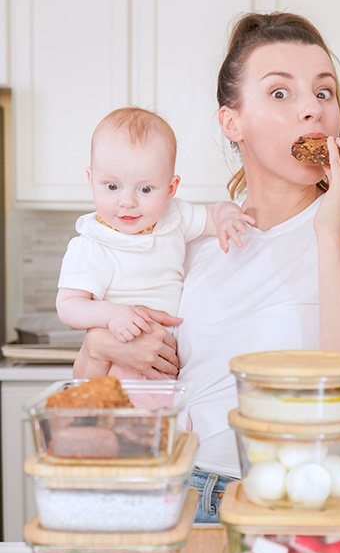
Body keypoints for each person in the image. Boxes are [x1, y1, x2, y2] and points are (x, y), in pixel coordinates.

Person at [74, 12, 340, 522]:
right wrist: (99, 345)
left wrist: (331, 232)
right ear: (232, 122)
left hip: (296, 505)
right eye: (281, 93)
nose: (312, 113)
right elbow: (98, 388)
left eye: (324, 93)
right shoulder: (190, 238)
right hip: (174, 495)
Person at [57, 107, 253, 379]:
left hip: (168, 362)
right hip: (118, 358)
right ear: (91, 180)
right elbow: (68, 306)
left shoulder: (174, 216)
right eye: (112, 186)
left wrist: (227, 216)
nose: (127, 201)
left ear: (171, 188)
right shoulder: (92, 244)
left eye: (145, 189)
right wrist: (112, 315)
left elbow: (212, 214)